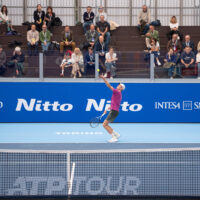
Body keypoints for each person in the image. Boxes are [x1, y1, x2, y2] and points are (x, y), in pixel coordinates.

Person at [100, 74, 125, 143]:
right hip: (114, 110)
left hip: (114, 111)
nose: (118, 86)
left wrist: (103, 78)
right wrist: (107, 109)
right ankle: (116, 134)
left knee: (104, 124)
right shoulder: (118, 94)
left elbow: (108, 85)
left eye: (119, 85)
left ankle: (114, 137)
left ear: (121, 88)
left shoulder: (117, 91)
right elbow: (114, 104)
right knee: (106, 124)